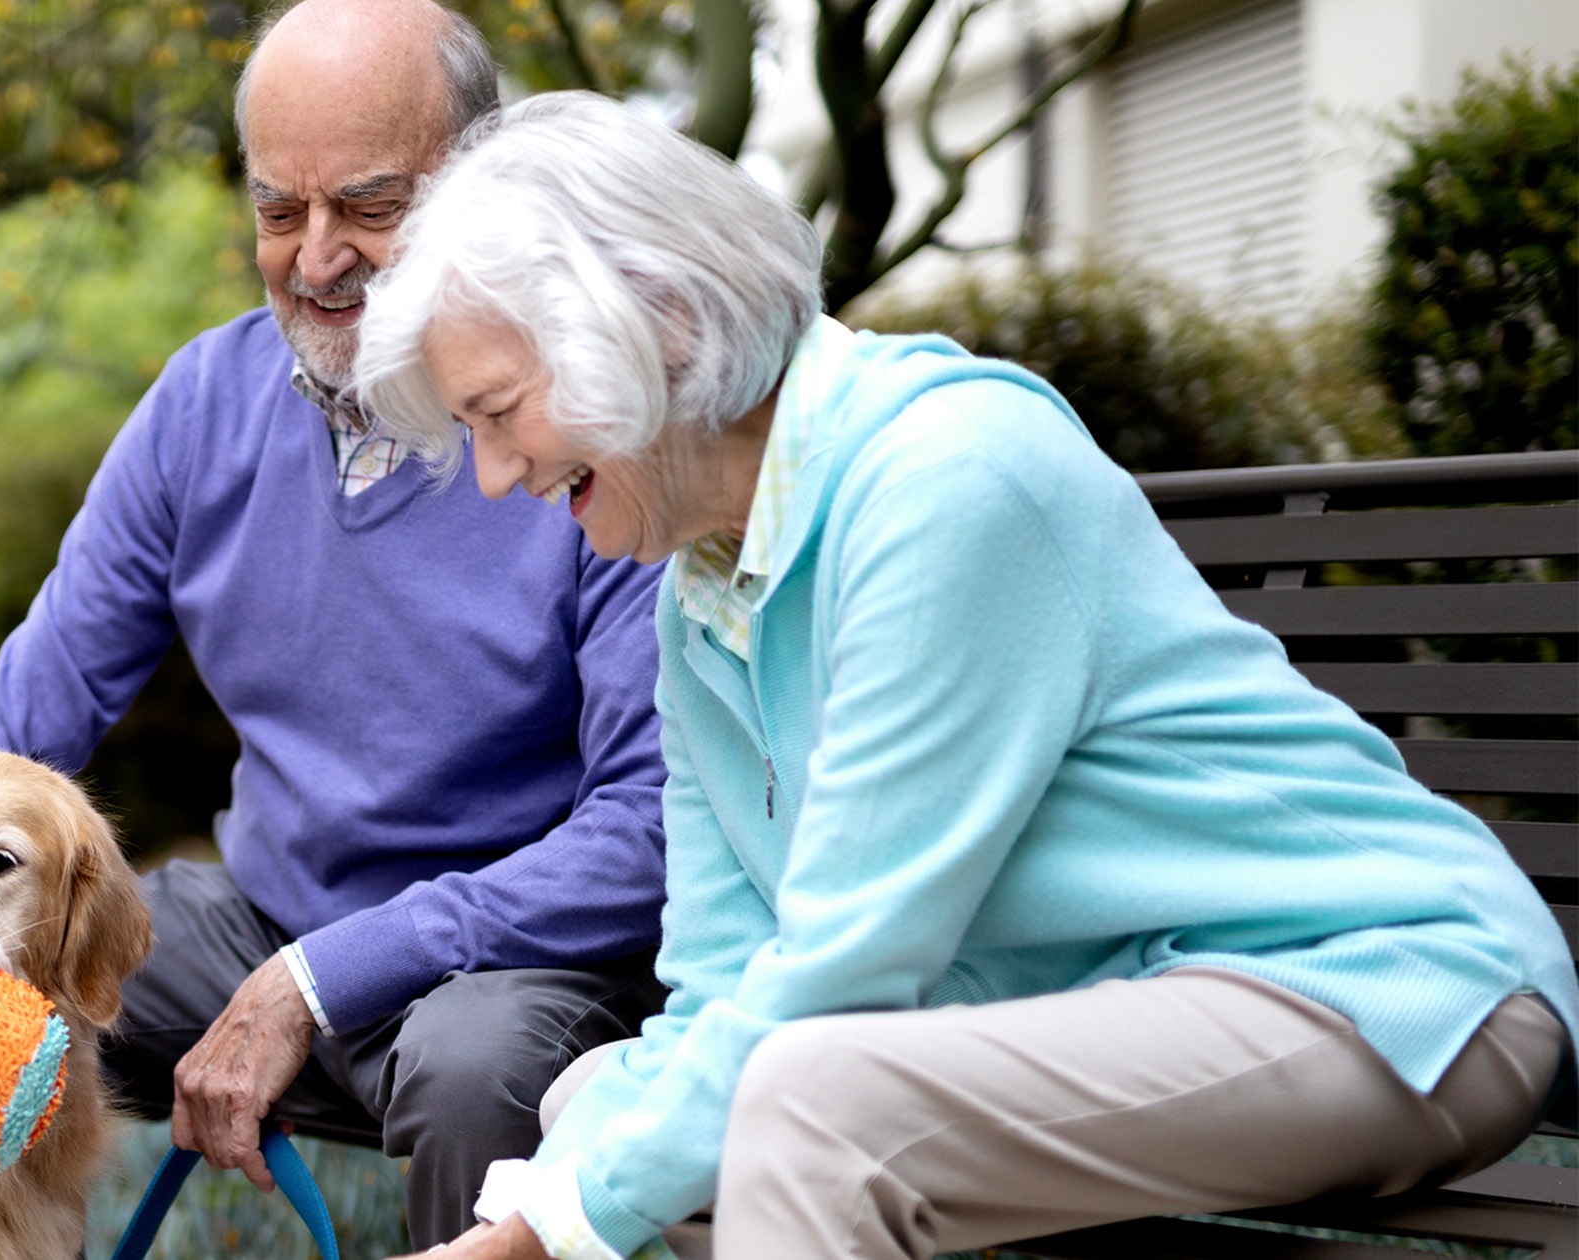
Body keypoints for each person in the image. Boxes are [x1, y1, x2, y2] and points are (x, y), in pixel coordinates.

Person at [349, 91, 1578, 1260]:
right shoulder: (700, 599)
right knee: (600, 1096)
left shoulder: (947, 481)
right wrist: (571, 1190)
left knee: (798, 1104)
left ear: (647, 321)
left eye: (500, 412)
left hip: (1388, 992)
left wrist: (543, 1228)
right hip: (1139, 1008)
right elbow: (722, 980)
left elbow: (844, 977)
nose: (498, 476)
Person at [0, 1, 675, 1246]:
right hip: (263, 923)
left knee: (475, 1067)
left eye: (371, 207)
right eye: (280, 211)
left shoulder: (586, 425)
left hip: (511, 965)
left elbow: (648, 832)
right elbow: (21, 720)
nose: (316, 257)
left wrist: (330, 977)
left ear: (480, 186)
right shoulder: (201, 405)